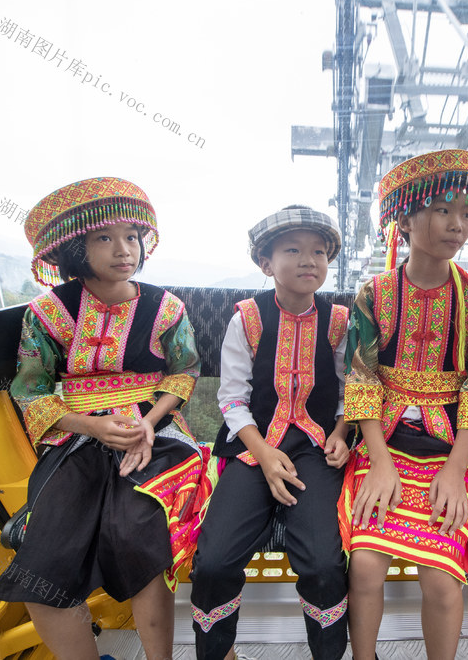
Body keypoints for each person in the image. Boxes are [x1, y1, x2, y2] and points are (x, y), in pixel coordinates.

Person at [0, 177, 213, 660]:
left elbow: (184, 374)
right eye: (104, 238)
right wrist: (91, 426)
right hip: (75, 440)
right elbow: (29, 390)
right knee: (43, 562)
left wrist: (149, 424)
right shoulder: (49, 313)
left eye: (131, 237)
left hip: (157, 436)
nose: (124, 249)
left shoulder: (166, 308)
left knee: (141, 539)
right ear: (76, 247)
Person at [341, 149, 468, 660]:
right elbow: (363, 381)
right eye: (444, 210)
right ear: (405, 219)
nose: (459, 225)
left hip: (447, 448)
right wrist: (380, 462)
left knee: (442, 580)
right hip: (381, 442)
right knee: (364, 566)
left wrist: (457, 470)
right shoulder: (374, 293)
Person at [189, 206, 351, 660]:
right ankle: (219, 653)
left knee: (323, 564)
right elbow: (232, 398)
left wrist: (341, 432)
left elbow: (351, 391)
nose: (309, 260)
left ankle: (328, 654)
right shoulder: (248, 318)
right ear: (265, 263)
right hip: (252, 448)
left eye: (319, 251)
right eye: (293, 250)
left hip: (317, 450)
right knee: (215, 560)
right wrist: (262, 453)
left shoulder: (339, 321)